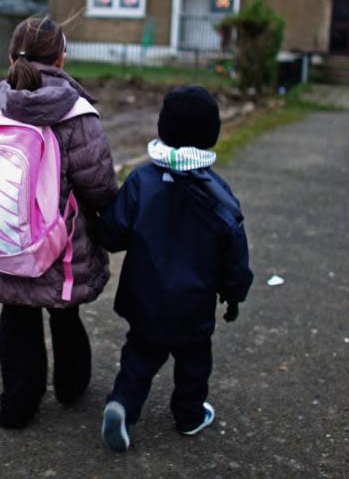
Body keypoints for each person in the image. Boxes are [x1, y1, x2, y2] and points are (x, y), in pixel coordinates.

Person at [0, 16, 117, 429]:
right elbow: (98, 185)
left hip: (2, 237)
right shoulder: (77, 113)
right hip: (59, 246)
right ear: (61, 58)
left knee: (16, 316)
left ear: (11, 57)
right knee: (64, 315)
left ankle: (17, 406)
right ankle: (71, 386)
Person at [97, 85, 254, 452]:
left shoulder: (141, 180)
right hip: (193, 303)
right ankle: (189, 415)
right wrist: (234, 294)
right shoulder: (218, 192)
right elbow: (235, 249)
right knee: (194, 363)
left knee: (138, 355)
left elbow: (115, 234)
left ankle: (122, 404)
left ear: (163, 127)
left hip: (145, 299)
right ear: (210, 135)